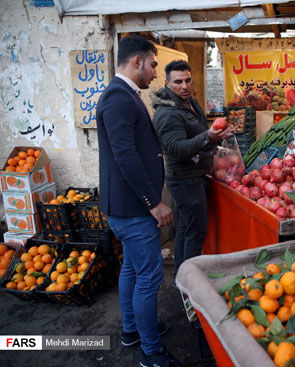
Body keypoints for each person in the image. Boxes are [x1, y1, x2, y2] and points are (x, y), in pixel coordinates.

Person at [96, 35, 177, 367]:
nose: (156, 73)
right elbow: (125, 156)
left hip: (128, 210)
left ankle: (133, 330)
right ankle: (151, 352)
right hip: (132, 211)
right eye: (154, 64)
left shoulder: (127, 96)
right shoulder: (117, 99)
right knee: (148, 278)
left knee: (131, 268)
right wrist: (153, 203)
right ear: (137, 61)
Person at [151, 60, 232, 278]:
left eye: (187, 80)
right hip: (184, 180)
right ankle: (191, 282)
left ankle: (182, 277)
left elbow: (196, 134)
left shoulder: (189, 102)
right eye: (178, 82)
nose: (184, 85)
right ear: (168, 84)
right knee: (195, 233)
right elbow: (177, 148)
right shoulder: (167, 113)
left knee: (185, 230)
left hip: (194, 175)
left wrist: (214, 138)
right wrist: (207, 136)